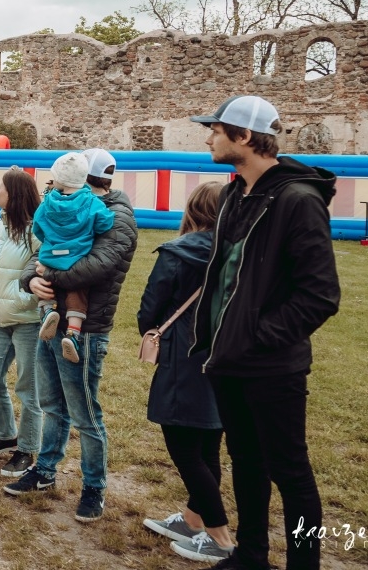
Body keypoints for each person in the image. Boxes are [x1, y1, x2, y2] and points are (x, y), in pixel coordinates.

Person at [189, 96, 340, 570]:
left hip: (271, 365)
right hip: (228, 359)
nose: (208, 137)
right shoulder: (235, 193)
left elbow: (319, 295)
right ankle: (251, 555)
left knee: (291, 472)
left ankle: (303, 563)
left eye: (215, 129)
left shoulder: (298, 200)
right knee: (247, 462)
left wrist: (257, 336)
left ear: (244, 137)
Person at [6, 147, 137, 526]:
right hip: (52, 322)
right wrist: (31, 278)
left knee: (84, 412)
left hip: (88, 328)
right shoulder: (68, 202)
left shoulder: (116, 217)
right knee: (52, 403)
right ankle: (46, 469)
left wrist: (49, 276)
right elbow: (41, 249)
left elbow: (97, 266)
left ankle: (94, 487)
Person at [138, 182, 236, 564]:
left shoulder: (178, 253)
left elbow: (150, 309)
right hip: (225, 357)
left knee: (184, 448)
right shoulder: (240, 254)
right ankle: (194, 520)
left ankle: (221, 538)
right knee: (208, 443)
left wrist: (156, 331)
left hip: (185, 359)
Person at [0, 168, 43, 477]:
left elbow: (41, 275)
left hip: (27, 320)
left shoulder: (37, 231)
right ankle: (6, 435)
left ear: (13, 194)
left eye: (0, 187)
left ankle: (27, 449)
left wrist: (23, 299)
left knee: (29, 390)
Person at [31, 152, 115, 363]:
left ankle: (49, 308)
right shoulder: (91, 202)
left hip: (50, 255)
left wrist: (50, 239)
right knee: (77, 291)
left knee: (45, 280)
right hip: (76, 257)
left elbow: (37, 227)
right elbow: (104, 222)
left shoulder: (48, 201)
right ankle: (73, 333)